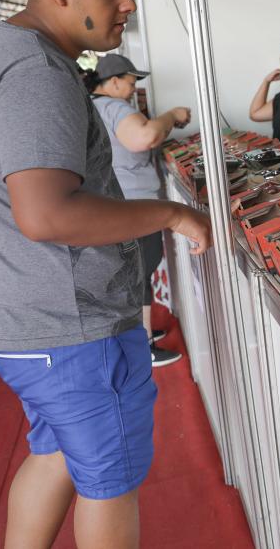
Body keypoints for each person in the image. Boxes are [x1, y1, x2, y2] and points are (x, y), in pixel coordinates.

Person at [0, 0, 211, 548]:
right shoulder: (36, 72)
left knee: (56, 456)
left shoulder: (2, 52)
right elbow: (48, 214)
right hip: (72, 330)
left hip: (30, 322)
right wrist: (174, 213)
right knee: (107, 481)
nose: (128, 6)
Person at [86, 53, 191, 368]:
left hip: (111, 202)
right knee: (140, 271)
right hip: (133, 202)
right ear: (114, 81)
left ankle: (137, 335)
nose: (133, 89)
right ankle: (142, 347)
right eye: (131, 82)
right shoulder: (114, 107)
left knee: (133, 272)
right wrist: (171, 116)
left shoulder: (91, 106)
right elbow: (144, 137)